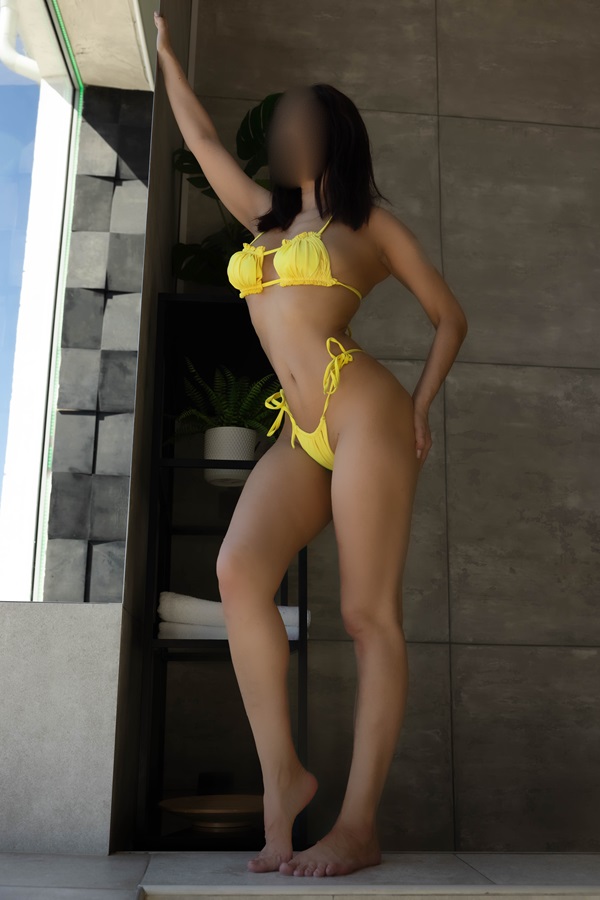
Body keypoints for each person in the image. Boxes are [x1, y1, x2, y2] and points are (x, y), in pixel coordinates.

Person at [154, 10, 468, 878]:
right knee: (237, 572)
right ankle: (284, 781)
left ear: (334, 137)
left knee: (368, 617)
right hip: (300, 428)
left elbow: (450, 317)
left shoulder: (370, 225)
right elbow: (204, 142)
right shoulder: (264, 218)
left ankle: (358, 825)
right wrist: (167, 57)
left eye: (301, 121)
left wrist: (420, 407)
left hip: (366, 413)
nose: (285, 134)